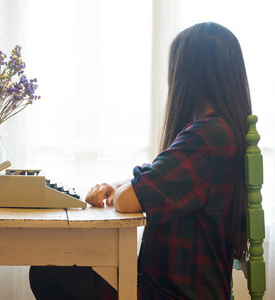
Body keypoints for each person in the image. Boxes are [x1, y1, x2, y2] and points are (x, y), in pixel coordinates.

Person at [30, 22, 252, 300]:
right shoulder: (222, 131)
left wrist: (124, 189)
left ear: (189, 74)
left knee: (46, 271)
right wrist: (115, 183)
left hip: (170, 293)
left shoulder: (205, 137)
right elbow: (155, 175)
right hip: (186, 287)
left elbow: (126, 200)